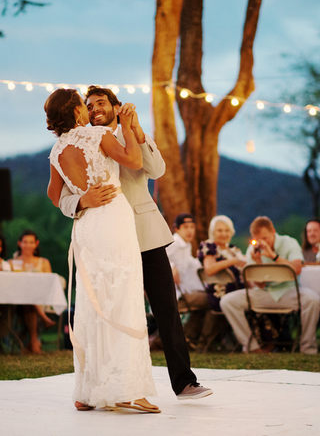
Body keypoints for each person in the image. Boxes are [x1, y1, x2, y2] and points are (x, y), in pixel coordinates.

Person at [57, 85, 210, 404]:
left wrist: (135, 129)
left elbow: (157, 170)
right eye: (89, 104)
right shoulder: (82, 141)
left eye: (101, 102)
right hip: (105, 238)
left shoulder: (128, 135)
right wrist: (80, 201)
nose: (95, 108)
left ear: (116, 106)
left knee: (166, 309)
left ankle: (184, 382)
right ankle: (108, 386)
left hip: (145, 234)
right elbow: (60, 193)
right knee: (108, 312)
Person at [47, 88, 160, 413]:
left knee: (91, 302)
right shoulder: (96, 135)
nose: (88, 109)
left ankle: (87, 391)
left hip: (87, 225)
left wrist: (82, 200)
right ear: (76, 111)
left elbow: (54, 195)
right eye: (83, 105)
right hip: (112, 220)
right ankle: (126, 389)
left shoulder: (57, 150)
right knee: (121, 297)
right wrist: (125, 123)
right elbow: (135, 160)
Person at [220, 216, 320, 354]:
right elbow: (260, 285)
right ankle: (252, 347)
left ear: (273, 231)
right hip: (265, 293)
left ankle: (307, 348)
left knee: (313, 299)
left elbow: (297, 269)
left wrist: (273, 256)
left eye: (265, 238)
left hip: (288, 292)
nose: (262, 242)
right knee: (227, 301)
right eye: (258, 239)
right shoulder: (253, 249)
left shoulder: (289, 242)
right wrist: (258, 263)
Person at [165, 213, 212, 350]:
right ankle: (200, 341)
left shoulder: (186, 245)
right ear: (177, 229)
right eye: (186, 227)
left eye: (192, 227)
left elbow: (191, 263)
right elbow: (161, 258)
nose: (190, 230)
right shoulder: (174, 242)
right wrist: (172, 268)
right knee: (212, 300)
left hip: (184, 290)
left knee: (209, 301)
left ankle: (188, 338)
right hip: (176, 293)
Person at [9, 230, 56, 354]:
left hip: (41, 298)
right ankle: (37, 334)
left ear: (36, 244)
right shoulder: (12, 263)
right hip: (18, 299)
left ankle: (33, 341)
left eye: (31, 242)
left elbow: (49, 282)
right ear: (20, 243)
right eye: (25, 242)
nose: (28, 245)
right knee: (27, 296)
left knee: (30, 299)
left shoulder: (44, 262)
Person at [197, 215, 246, 312]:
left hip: (239, 290)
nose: (224, 234)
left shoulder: (233, 249)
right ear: (212, 232)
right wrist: (232, 261)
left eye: (227, 230)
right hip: (221, 293)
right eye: (220, 230)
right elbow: (209, 270)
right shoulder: (209, 247)